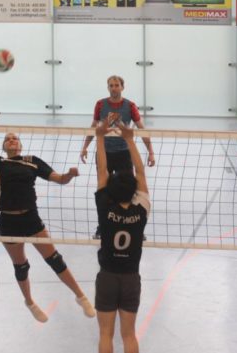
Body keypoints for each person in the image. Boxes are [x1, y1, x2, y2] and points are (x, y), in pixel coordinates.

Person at [0, 131, 95, 323]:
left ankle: (81, 296)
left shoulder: (32, 161)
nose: (11, 140)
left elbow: (59, 179)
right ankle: (29, 302)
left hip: (30, 218)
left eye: (15, 138)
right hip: (8, 221)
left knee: (55, 259)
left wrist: (70, 175)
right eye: (7, 139)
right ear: (3, 147)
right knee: (21, 266)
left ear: (20, 145)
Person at [94, 117, 150, 353]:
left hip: (107, 276)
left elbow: (102, 170)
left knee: (105, 334)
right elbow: (141, 172)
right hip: (130, 278)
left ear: (111, 191)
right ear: (134, 190)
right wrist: (130, 139)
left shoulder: (105, 208)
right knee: (129, 335)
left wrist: (99, 137)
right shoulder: (141, 210)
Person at [80, 75, 155, 239]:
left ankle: (134, 223)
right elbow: (94, 126)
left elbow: (141, 128)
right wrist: (85, 147)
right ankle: (102, 226)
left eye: (116, 85)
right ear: (108, 87)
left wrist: (150, 151)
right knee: (103, 190)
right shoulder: (100, 105)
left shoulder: (130, 106)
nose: (114, 88)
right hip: (104, 153)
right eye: (111, 85)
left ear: (122, 87)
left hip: (124, 153)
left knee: (129, 189)